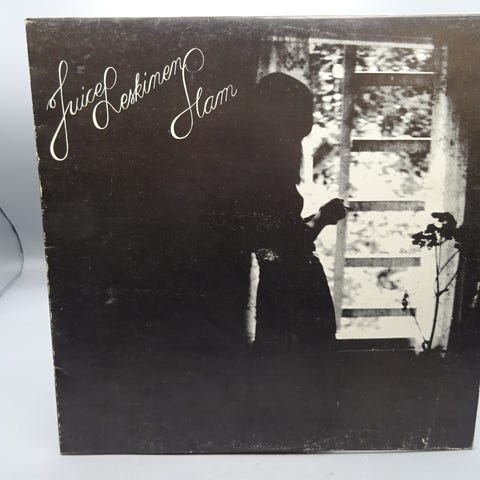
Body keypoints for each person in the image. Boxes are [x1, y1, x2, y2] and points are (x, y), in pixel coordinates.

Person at [242, 72, 347, 353]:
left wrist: (317, 218)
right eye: (304, 112)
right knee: (305, 363)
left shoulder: (261, 165)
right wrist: (323, 218)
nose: (309, 123)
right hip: (292, 283)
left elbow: (280, 233)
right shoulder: (268, 173)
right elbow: (285, 243)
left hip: (281, 283)